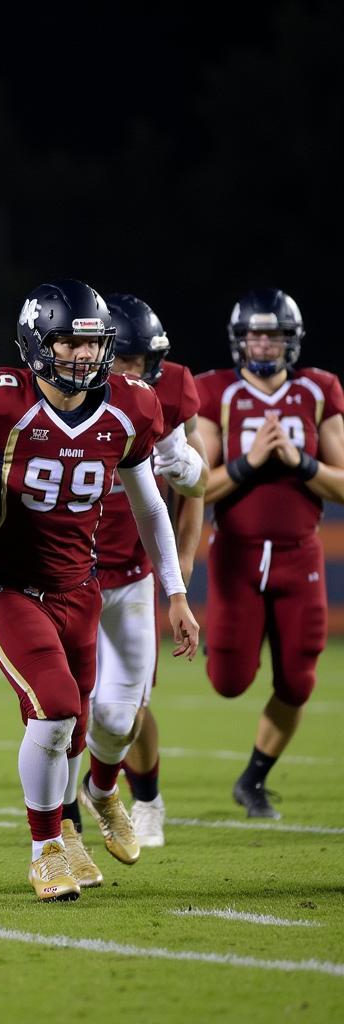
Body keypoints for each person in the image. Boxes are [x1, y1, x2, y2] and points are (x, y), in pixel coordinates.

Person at [0, 279, 199, 902]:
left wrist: (176, 592)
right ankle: (45, 848)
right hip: (4, 585)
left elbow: (150, 508)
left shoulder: (131, 407)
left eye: (91, 344)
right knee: (55, 707)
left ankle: (78, 819)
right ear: (37, 345)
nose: (83, 357)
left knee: (80, 728)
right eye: (68, 343)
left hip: (79, 588)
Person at [195, 288, 344, 819]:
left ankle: (254, 778)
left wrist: (302, 462)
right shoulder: (216, 393)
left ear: (292, 341)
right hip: (236, 554)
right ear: (239, 341)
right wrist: (250, 462)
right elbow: (196, 485)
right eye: (255, 334)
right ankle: (225, 644)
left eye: (274, 334)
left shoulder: (320, 390)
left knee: (299, 681)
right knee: (229, 682)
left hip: (299, 556)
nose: (264, 343)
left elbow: (343, 483)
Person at [73, 293, 207, 873]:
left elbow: (190, 481)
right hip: (63, 576)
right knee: (58, 709)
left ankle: (102, 791)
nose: (130, 374)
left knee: (122, 714)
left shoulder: (167, 392)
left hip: (129, 574)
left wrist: (179, 581)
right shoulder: (61, 391)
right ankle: (55, 830)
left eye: (140, 362)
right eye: (119, 359)